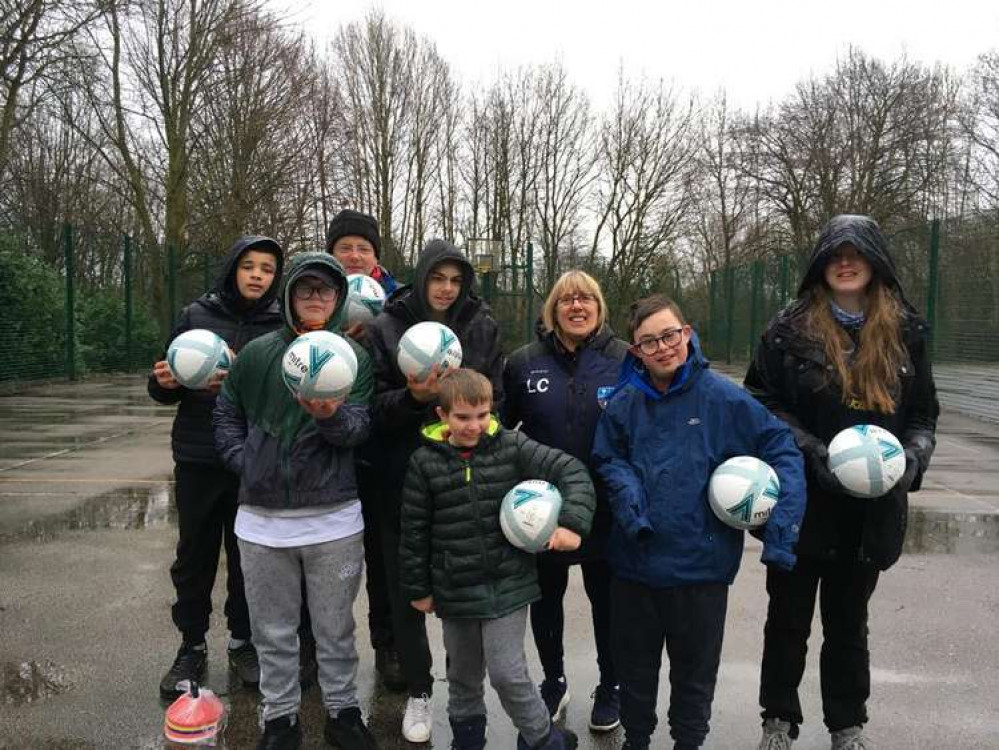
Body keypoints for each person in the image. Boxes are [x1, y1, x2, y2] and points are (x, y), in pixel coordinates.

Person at [744, 214, 939, 750]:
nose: (846, 263)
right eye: (835, 254)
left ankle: (847, 725)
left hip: (870, 509)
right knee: (787, 620)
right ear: (820, 265)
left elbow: (923, 415)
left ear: (876, 262)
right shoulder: (786, 331)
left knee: (849, 626)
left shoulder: (906, 332)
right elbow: (763, 402)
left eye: (856, 253)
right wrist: (812, 452)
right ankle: (778, 720)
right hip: (802, 500)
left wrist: (911, 461)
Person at [591, 294, 806, 750]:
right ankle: (638, 742)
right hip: (634, 569)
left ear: (686, 333)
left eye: (670, 335)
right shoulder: (624, 404)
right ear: (636, 352)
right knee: (635, 678)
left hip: (701, 572)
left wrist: (780, 532)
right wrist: (631, 503)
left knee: (693, 682)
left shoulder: (724, 398)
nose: (663, 347)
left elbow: (783, 450)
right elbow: (607, 459)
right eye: (649, 342)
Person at [213, 251, 378, 750]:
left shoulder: (355, 359)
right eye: (305, 289)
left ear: (338, 299)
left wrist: (329, 416)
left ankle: (343, 713)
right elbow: (225, 416)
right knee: (274, 632)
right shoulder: (260, 353)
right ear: (288, 295)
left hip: (333, 519)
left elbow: (358, 429)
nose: (315, 299)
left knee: (335, 629)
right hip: (262, 523)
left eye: (325, 291)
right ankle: (279, 719)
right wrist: (248, 462)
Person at [399, 368, 595, 750]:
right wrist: (418, 588)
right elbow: (413, 531)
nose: (474, 425)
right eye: (462, 417)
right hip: (455, 588)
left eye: (482, 414)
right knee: (464, 677)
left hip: (509, 583)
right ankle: (468, 741)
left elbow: (571, 469)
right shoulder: (425, 462)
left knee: (508, 673)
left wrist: (571, 522)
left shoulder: (512, 446)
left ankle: (542, 737)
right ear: (443, 417)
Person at [365, 238, 504, 744]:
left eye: (455, 280)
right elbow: (372, 411)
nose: (446, 289)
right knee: (408, 591)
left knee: (462, 587)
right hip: (401, 479)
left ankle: (464, 692)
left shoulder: (481, 325)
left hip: (463, 479)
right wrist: (413, 398)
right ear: (421, 278)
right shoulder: (385, 327)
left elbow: (497, 401)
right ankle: (419, 692)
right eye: (437, 278)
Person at [149, 235, 283, 700]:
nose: (257, 275)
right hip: (199, 457)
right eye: (248, 265)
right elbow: (164, 386)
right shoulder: (196, 317)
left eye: (267, 269)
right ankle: (191, 646)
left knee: (248, 559)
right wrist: (163, 381)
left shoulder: (279, 324)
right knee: (194, 557)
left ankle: (244, 643)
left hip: (251, 458)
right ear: (232, 268)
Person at [282, 208, 403, 693]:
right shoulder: (308, 302)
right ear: (331, 254)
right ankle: (308, 651)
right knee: (316, 559)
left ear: (377, 258)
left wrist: (370, 341)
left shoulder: (396, 307)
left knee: (383, 556)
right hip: (323, 455)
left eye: (364, 248)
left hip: (381, 449)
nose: (354, 255)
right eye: (344, 247)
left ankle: (389, 647)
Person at [502, 270, 629, 731]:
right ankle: (553, 681)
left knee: (607, 600)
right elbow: (498, 429)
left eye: (586, 298)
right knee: (547, 597)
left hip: (608, 510)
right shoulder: (522, 363)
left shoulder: (625, 360)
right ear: (552, 310)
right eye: (566, 300)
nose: (577, 306)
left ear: (599, 307)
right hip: (544, 510)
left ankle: (611, 685)